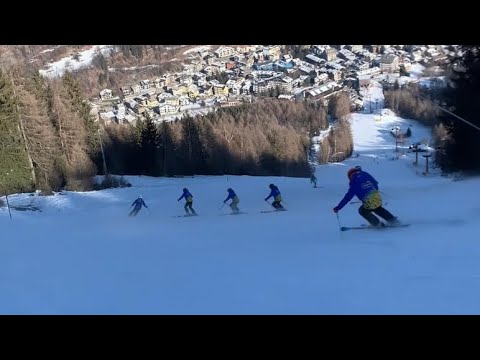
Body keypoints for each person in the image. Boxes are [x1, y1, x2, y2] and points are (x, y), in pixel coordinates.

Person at [333, 166, 400, 227]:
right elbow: (375, 183)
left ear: (350, 176)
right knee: (378, 208)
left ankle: (377, 224)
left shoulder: (353, 184)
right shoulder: (365, 174)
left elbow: (347, 198)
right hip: (377, 196)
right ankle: (393, 220)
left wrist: (338, 207)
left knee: (362, 211)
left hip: (369, 201)